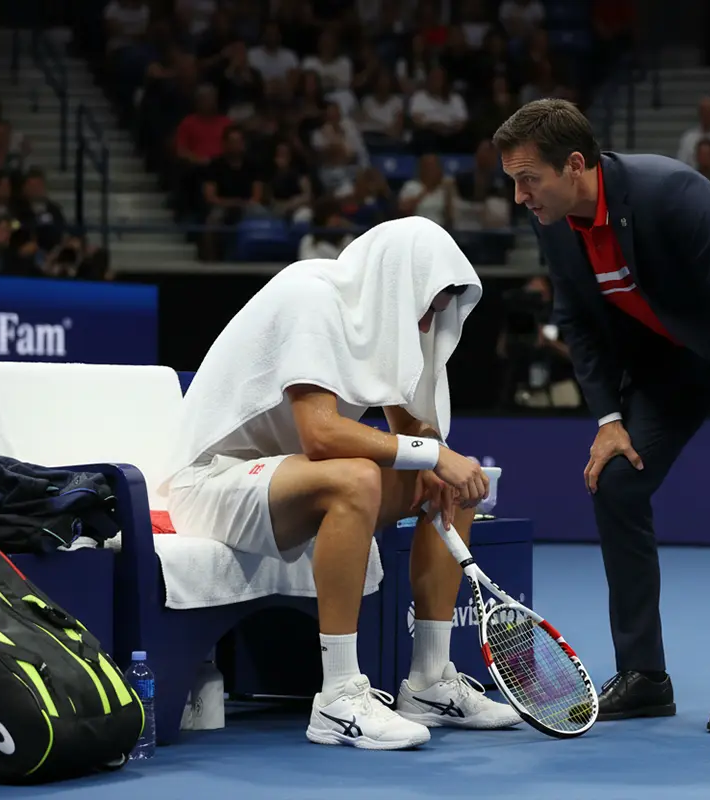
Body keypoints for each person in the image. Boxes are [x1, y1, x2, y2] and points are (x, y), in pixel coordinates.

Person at [492, 99, 710, 733]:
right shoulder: (553, 218)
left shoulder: (669, 190)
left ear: (574, 165)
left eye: (527, 179)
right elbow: (578, 323)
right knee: (618, 480)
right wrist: (609, 421)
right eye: (513, 181)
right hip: (675, 356)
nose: (519, 196)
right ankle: (645, 676)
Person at [158, 217, 522, 751]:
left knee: (453, 484)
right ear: (399, 284)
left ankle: (428, 681)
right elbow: (321, 434)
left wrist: (439, 459)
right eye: (424, 311)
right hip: (211, 483)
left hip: (290, 482)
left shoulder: (387, 322)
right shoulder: (312, 297)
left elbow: (412, 431)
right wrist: (431, 452)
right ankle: (338, 696)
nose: (426, 328)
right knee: (358, 478)